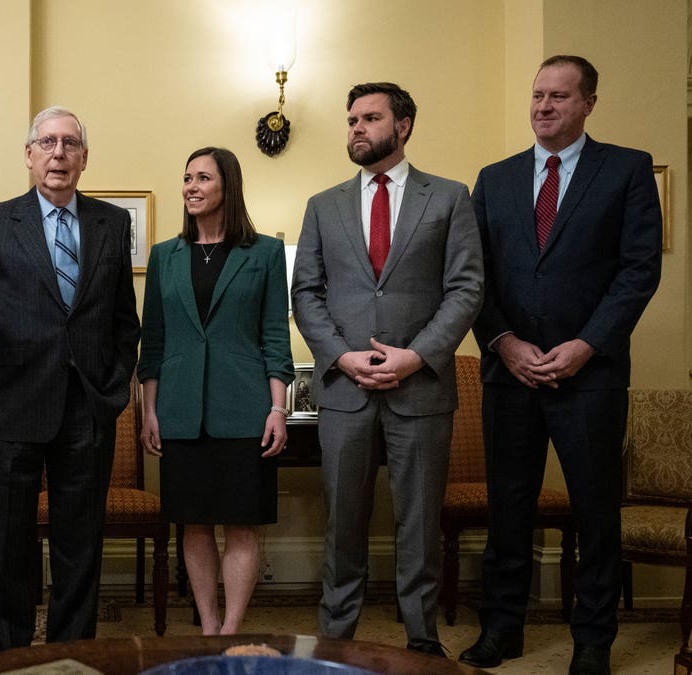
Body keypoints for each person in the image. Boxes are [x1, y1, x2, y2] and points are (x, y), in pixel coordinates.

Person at [459, 55, 662, 675]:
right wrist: (503, 342)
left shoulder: (626, 170)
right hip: (511, 375)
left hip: (590, 376)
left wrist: (585, 346)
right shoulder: (495, 179)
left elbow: (638, 272)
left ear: (588, 103)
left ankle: (593, 641)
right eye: (538, 94)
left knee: (595, 511)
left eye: (559, 96)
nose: (544, 106)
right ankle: (502, 629)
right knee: (508, 510)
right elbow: (474, 279)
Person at [290, 82, 484, 657]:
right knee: (342, 525)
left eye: (369, 118)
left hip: (420, 387)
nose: (355, 128)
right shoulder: (323, 205)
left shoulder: (449, 198)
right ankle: (334, 641)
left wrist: (416, 355)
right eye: (351, 119)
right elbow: (306, 293)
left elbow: (466, 287)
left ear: (403, 126)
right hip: (346, 390)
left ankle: (422, 641)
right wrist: (343, 357)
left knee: (418, 525)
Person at [0, 106, 140, 652]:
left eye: (70, 144)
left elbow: (124, 318)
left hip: (88, 407)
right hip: (15, 405)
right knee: (8, 545)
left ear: (84, 158)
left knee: (80, 546)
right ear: (29, 155)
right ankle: (8, 657)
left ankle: (70, 655)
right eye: (47, 143)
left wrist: (114, 385)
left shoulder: (112, 223)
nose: (59, 154)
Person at [137, 146, 294, 635]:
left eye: (203, 178)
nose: (191, 187)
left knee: (241, 524)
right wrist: (149, 410)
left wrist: (278, 408)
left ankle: (231, 631)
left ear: (228, 186)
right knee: (195, 524)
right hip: (181, 410)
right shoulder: (164, 256)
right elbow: (154, 339)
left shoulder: (265, 253)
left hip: (245, 410)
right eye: (186, 178)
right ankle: (208, 628)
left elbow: (274, 335)